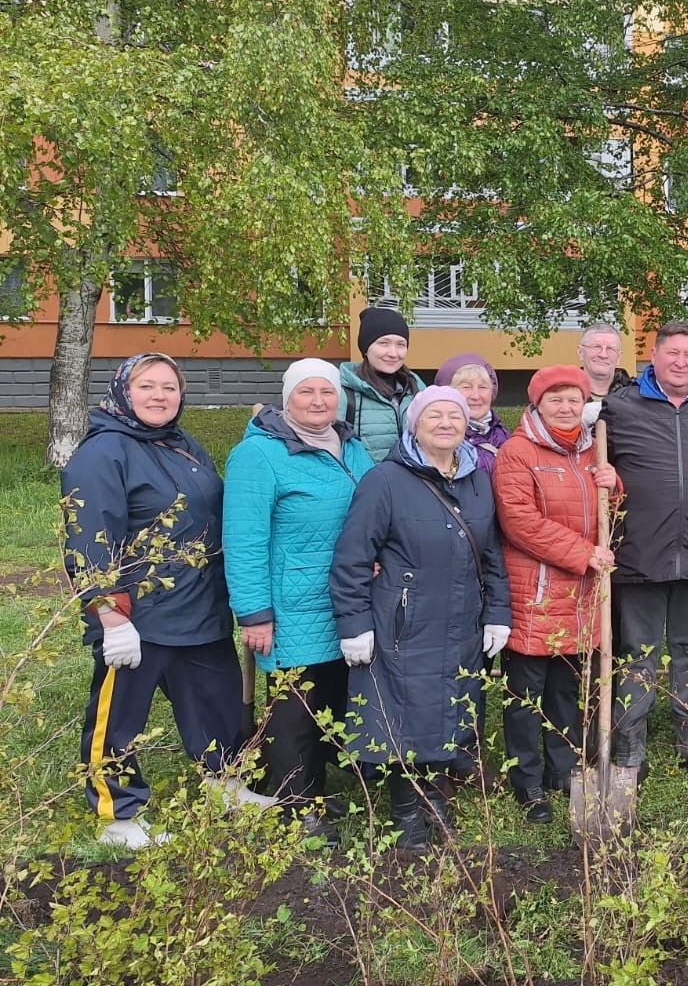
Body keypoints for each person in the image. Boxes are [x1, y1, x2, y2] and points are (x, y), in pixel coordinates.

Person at [63, 354, 273, 850]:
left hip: (199, 608)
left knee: (215, 703)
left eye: (170, 387)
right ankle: (118, 814)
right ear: (123, 391)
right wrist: (110, 616)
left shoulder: (183, 445)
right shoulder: (104, 453)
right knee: (119, 717)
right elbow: (89, 538)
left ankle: (226, 785)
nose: (160, 396)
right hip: (140, 615)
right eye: (148, 386)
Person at [330, 385, 512, 850]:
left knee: (449, 707)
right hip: (405, 621)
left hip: (463, 617)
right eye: (435, 416)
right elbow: (352, 558)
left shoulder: (475, 478)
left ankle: (434, 798)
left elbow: (491, 552)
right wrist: (354, 626)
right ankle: (404, 813)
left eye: (455, 415)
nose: (446, 423)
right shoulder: (385, 481)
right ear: (414, 424)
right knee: (403, 714)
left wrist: (497, 612)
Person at [223, 359, 377, 839]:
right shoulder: (258, 456)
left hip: (347, 600)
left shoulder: (352, 448)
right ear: (287, 398)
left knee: (334, 697)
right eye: (306, 392)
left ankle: (323, 785)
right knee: (295, 710)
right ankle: (296, 803)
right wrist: (254, 613)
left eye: (327, 392)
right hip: (291, 606)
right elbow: (244, 539)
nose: (318, 402)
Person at [601, 320, 688, 777]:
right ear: (654, 357)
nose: (681, 362)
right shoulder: (621, 409)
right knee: (637, 649)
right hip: (639, 551)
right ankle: (630, 743)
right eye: (672, 353)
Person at [494, 366, 622, 822]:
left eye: (573, 400)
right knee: (527, 694)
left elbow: (609, 514)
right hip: (538, 592)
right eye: (556, 400)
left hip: (584, 593)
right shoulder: (518, 452)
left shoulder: (591, 451)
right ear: (536, 404)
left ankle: (562, 771)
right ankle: (527, 783)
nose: (566, 407)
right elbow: (518, 521)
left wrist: (615, 486)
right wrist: (582, 552)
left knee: (566, 690)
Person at [340, 307, 425, 463]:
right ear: (366, 348)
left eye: (401, 344)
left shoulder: (418, 390)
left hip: (413, 484)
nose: (393, 353)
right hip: (366, 485)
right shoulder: (344, 394)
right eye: (384, 343)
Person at [435, 353, 509, 476]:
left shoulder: (503, 435)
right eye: (466, 387)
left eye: (483, 387)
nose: (475, 396)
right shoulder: (440, 436)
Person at [578, 322, 631, 427]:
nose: (603, 355)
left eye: (610, 349)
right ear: (580, 352)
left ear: (619, 357)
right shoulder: (560, 393)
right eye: (596, 347)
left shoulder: (634, 396)